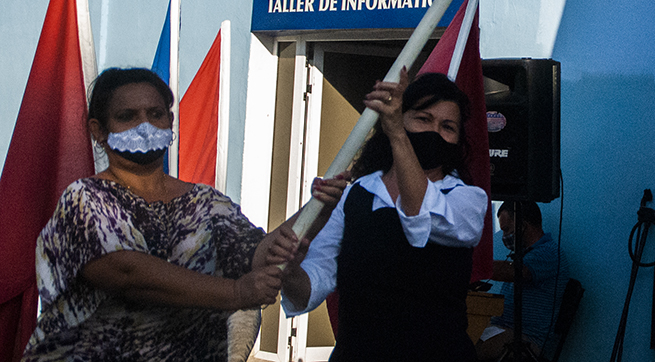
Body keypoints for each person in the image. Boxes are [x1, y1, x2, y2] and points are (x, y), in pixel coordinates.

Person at [21, 67, 344, 361]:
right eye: (127, 116)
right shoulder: (85, 198)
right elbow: (126, 272)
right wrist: (237, 292)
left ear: (170, 121)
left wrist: (319, 208)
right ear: (98, 130)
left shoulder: (206, 202)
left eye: (155, 113)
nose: (144, 125)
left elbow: (258, 255)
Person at [278, 69, 489, 362]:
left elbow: (419, 213)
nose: (434, 132)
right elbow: (312, 285)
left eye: (447, 127)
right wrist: (289, 272)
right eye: (423, 119)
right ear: (402, 118)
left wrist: (397, 134)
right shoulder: (355, 195)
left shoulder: (466, 200)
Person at [475, 201, 567, 360]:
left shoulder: (549, 253)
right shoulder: (523, 255)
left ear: (522, 226)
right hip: (502, 329)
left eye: (507, 230)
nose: (505, 237)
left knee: (464, 346)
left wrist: (472, 265)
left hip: (527, 339)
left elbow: (516, 271)